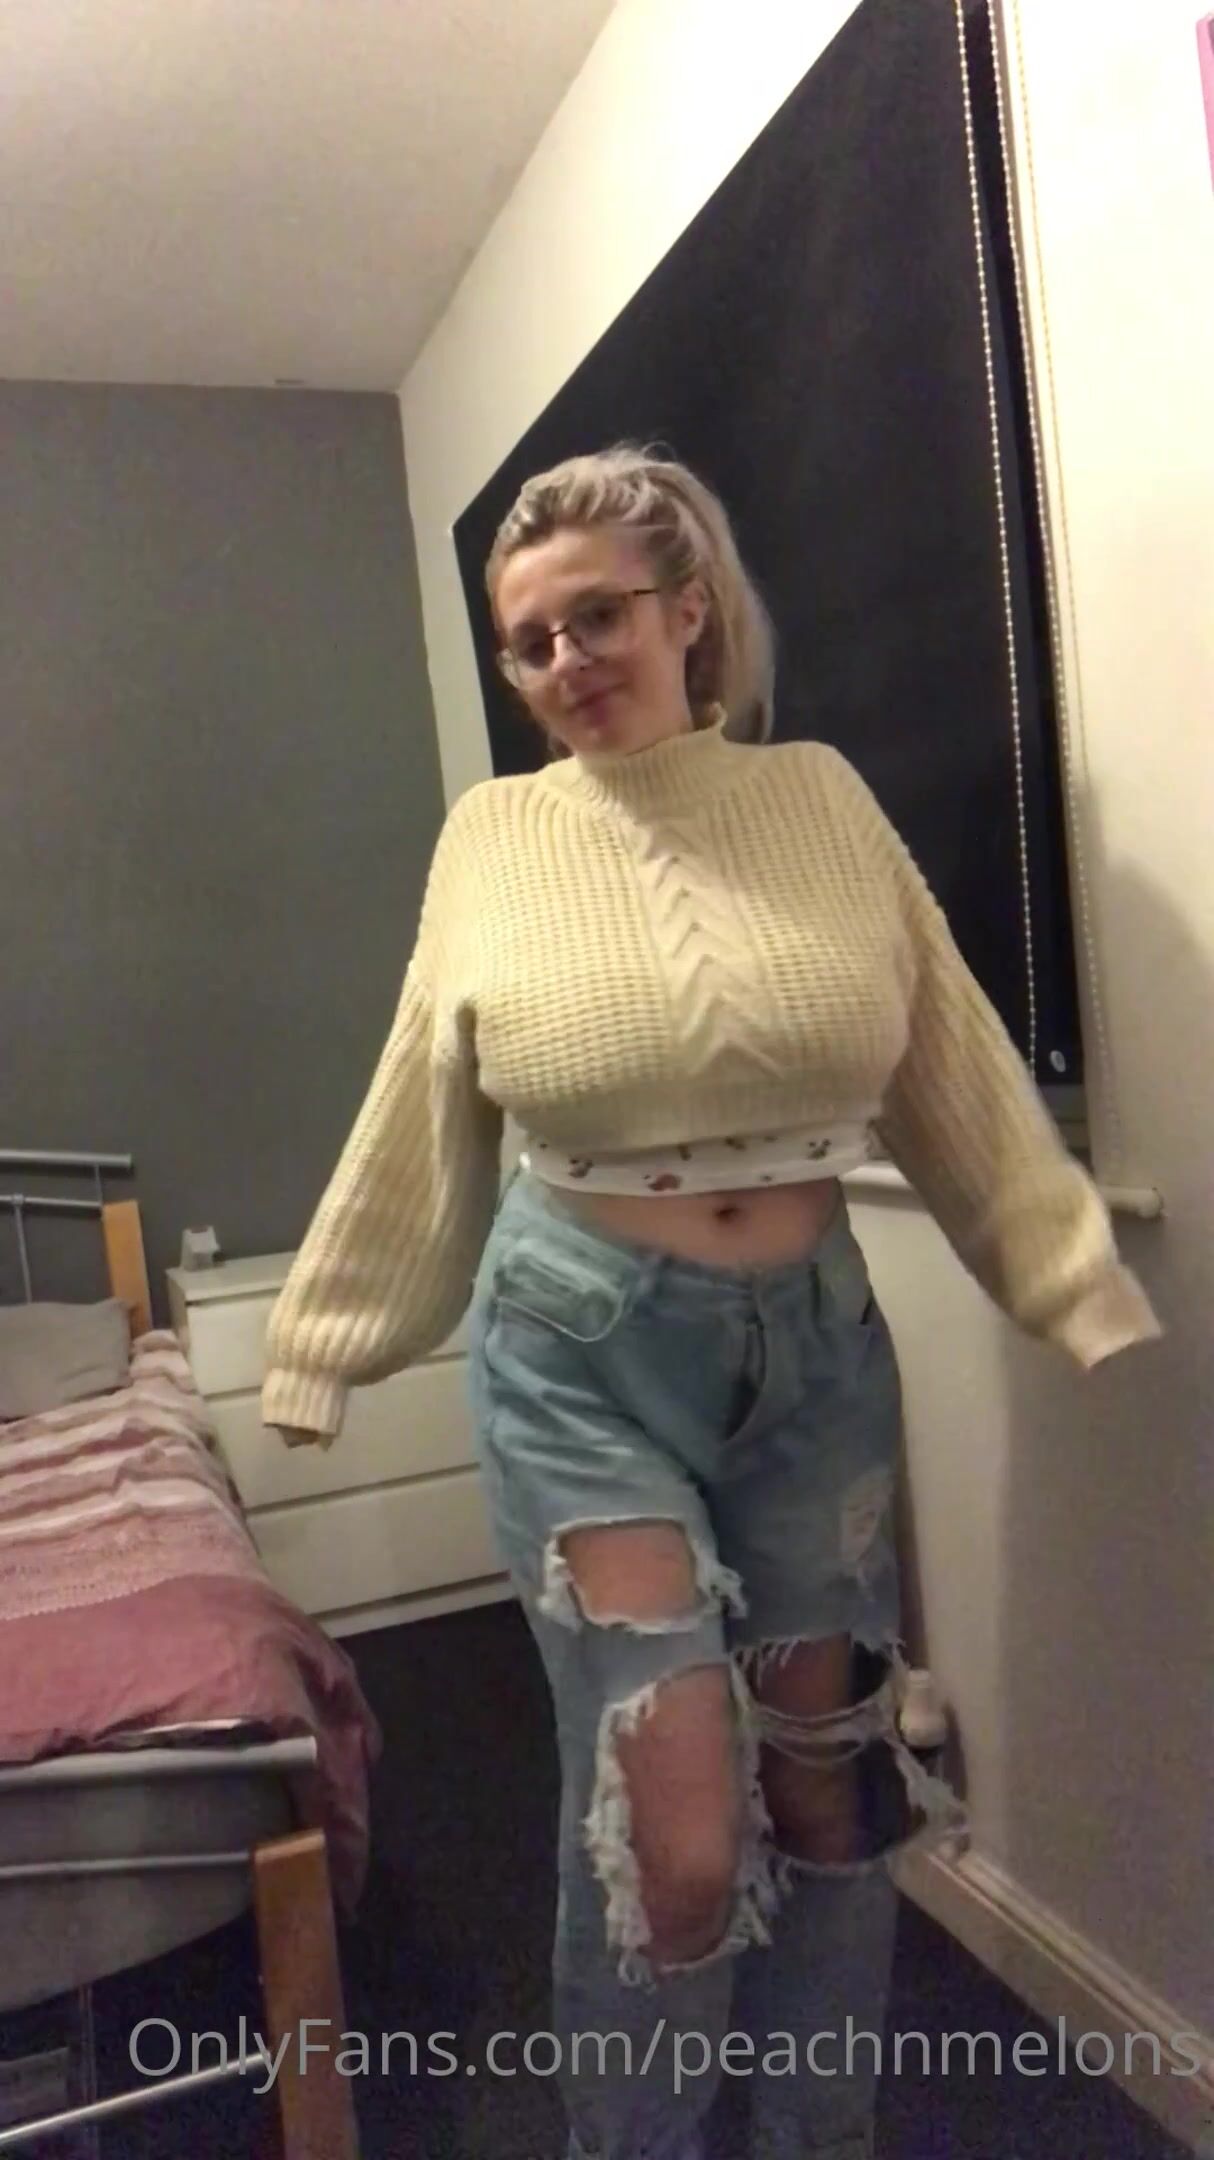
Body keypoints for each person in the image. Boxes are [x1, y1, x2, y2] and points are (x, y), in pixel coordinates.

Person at [261, 444, 1160, 2160]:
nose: (562, 663)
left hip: (813, 1352)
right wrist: (321, 1338)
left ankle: (820, 2133)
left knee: (826, 1787)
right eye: (527, 643)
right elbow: (419, 1097)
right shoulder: (496, 836)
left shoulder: (815, 797)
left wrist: (1063, 1275)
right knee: (666, 1832)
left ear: (687, 611)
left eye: (594, 618)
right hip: (576, 1355)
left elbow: (948, 1048)